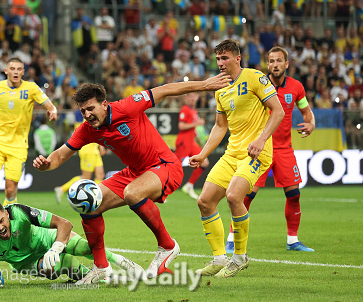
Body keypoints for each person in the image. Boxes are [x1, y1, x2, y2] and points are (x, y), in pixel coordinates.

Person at [33, 74, 230, 283]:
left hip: (164, 165)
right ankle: (101, 267)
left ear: (104, 104)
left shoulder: (127, 107)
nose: (87, 115)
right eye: (83, 111)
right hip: (135, 172)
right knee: (89, 204)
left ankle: (167, 246)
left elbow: (165, 89)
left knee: (133, 193)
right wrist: (47, 164)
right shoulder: (87, 130)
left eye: (91, 108)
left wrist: (204, 85)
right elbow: (60, 155)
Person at [188, 39, 283, 278]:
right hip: (232, 153)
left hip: (256, 152)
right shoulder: (220, 87)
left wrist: (261, 140)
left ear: (237, 58)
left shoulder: (255, 77)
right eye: (218, 59)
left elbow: (278, 111)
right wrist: (202, 154)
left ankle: (240, 257)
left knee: (233, 196)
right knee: (205, 201)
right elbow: (220, 127)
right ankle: (220, 258)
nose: (220, 63)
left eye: (225, 58)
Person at [225, 47, 315, 253]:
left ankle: (293, 241)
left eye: (279, 61)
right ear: (268, 64)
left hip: (284, 149)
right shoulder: (258, 83)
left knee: (294, 195)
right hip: (260, 148)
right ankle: (232, 238)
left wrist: (311, 124)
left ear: (286, 64)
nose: (275, 65)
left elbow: (307, 113)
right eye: (271, 61)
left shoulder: (296, 88)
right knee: (245, 196)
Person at [0, 58, 58, 239]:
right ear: (6, 70)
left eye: (19, 69)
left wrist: (52, 109)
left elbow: (48, 103)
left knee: (10, 189)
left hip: (18, 145)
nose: (15, 71)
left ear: (23, 72)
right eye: (12, 68)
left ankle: (5, 223)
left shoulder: (31, 88)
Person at [0, 200, 142, 287]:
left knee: (83, 247)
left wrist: (56, 248)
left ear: (6, 213)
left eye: (2, 221)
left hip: (46, 237)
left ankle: (119, 260)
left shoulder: (19, 212)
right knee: (57, 268)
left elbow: (64, 224)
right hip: (27, 263)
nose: (0, 228)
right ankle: (100, 277)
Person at [176, 92, 209, 200]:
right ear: (186, 98)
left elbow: (193, 129)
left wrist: (198, 138)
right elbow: (181, 126)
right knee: (174, 166)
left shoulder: (193, 110)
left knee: (204, 162)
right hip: (184, 141)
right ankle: (161, 190)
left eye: (194, 96)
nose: (192, 98)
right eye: (190, 96)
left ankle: (189, 186)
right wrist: (197, 123)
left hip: (191, 141)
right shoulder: (185, 109)